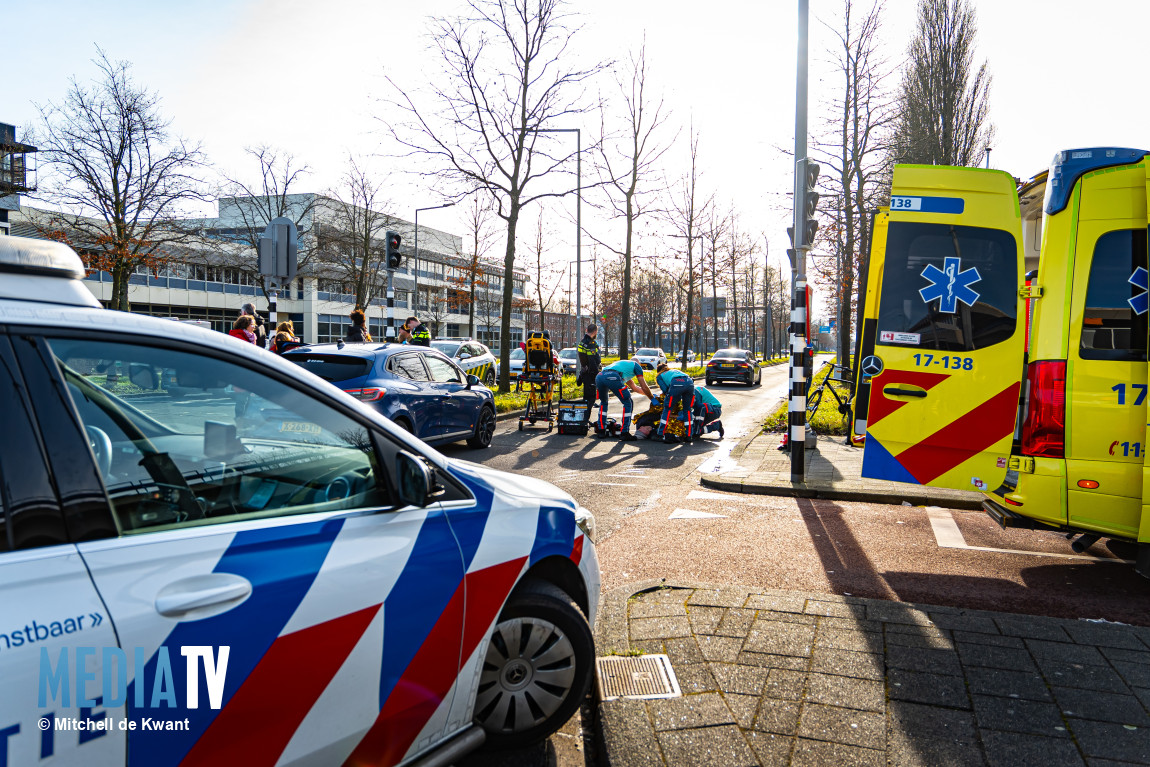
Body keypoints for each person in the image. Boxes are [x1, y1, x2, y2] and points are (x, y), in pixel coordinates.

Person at [595, 357, 653, 441]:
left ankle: (601, 430)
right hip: (613, 376)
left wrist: (650, 394)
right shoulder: (636, 365)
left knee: (604, 402)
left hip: (600, 377)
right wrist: (652, 398)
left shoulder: (623, 367)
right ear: (638, 363)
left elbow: (635, 388)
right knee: (628, 402)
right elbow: (643, 386)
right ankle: (625, 432)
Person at [655, 362, 696, 443]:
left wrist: (670, 398)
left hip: (677, 383)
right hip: (690, 383)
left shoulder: (659, 376)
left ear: (658, 371)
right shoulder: (674, 371)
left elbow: (665, 390)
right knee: (687, 410)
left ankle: (660, 434)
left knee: (667, 409)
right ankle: (689, 436)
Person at [576, 324, 601, 425]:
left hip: (585, 372)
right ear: (595, 331)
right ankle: (584, 419)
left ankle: (583, 418)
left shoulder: (582, 342)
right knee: (591, 397)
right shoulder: (590, 343)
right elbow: (591, 360)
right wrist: (596, 374)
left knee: (586, 397)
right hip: (591, 374)